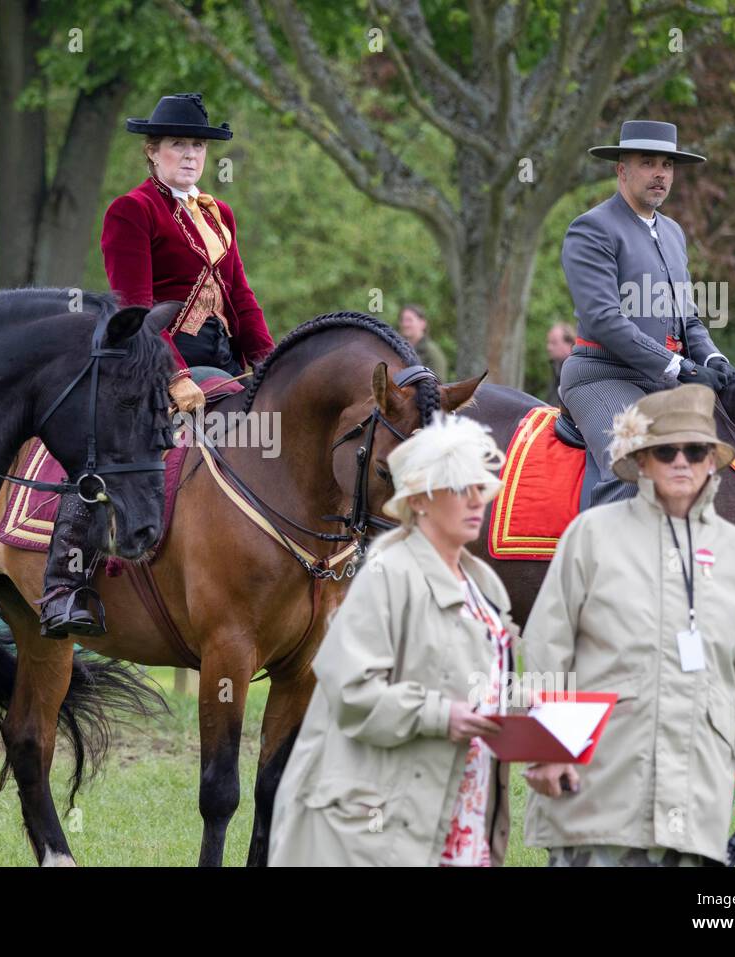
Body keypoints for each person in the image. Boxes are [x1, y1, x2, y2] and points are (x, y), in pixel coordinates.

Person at [37, 92, 275, 638]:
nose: (190, 155)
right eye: (177, 145)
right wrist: (174, 374)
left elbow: (241, 297)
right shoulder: (133, 210)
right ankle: (64, 587)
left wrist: (268, 364)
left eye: (197, 145)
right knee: (112, 452)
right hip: (146, 359)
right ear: (153, 151)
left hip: (220, 360)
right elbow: (134, 308)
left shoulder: (220, 213)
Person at [521, 384, 735, 866]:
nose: (682, 461)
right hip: (597, 799)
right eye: (666, 451)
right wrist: (550, 746)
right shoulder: (591, 536)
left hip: (695, 813)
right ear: (642, 461)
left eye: (696, 450)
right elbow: (547, 648)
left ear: (713, 461)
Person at [269, 414, 518, 866]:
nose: (476, 500)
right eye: (459, 488)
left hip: (463, 803)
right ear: (419, 501)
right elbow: (351, 691)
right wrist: (441, 715)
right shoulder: (387, 574)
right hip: (382, 820)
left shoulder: (485, 585)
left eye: (480, 488)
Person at [559, 120, 735, 506]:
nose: (660, 174)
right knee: (635, 465)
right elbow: (604, 319)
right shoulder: (591, 228)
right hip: (602, 377)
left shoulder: (673, 232)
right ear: (621, 169)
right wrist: (680, 367)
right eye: (648, 163)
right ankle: (606, 563)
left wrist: (713, 358)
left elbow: (688, 319)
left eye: (667, 165)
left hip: (664, 382)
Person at [397, 304, 448, 380]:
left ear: (422, 323)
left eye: (409, 320)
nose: (404, 324)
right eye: (402, 320)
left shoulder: (432, 352)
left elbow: (439, 384)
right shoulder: (398, 349)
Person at [545, 322, 574, 405]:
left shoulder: (576, 373)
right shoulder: (556, 369)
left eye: (554, 342)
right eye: (548, 342)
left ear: (569, 344)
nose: (548, 347)